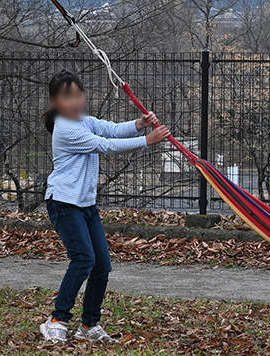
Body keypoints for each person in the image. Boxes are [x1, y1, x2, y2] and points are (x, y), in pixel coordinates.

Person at [38, 70, 171, 344]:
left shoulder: (85, 121)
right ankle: (56, 319)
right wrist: (147, 140)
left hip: (85, 204)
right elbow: (105, 145)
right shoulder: (65, 128)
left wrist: (139, 123)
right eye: (67, 97)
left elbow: (110, 129)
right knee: (84, 259)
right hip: (64, 202)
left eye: (78, 94)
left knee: (101, 265)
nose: (75, 101)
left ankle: (89, 326)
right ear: (55, 102)